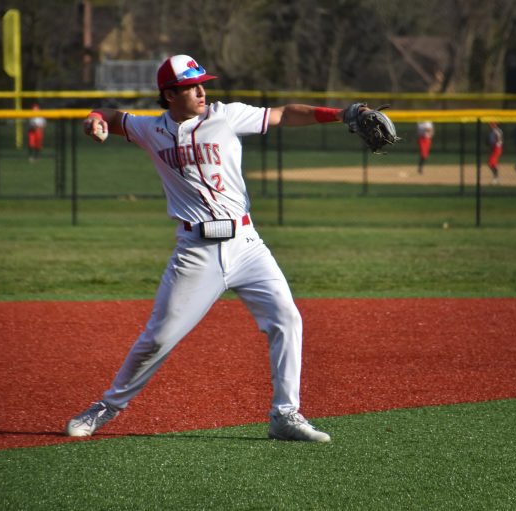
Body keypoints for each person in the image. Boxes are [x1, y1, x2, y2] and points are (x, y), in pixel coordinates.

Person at [64, 54, 363, 442]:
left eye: (203, 83)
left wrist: (339, 114)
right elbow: (109, 114)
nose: (202, 91)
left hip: (247, 244)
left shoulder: (225, 116)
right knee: (157, 339)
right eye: (192, 86)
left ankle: (285, 414)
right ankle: (106, 407)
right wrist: (96, 118)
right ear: (170, 94)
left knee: (287, 318)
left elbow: (285, 114)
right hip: (196, 251)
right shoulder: (148, 129)